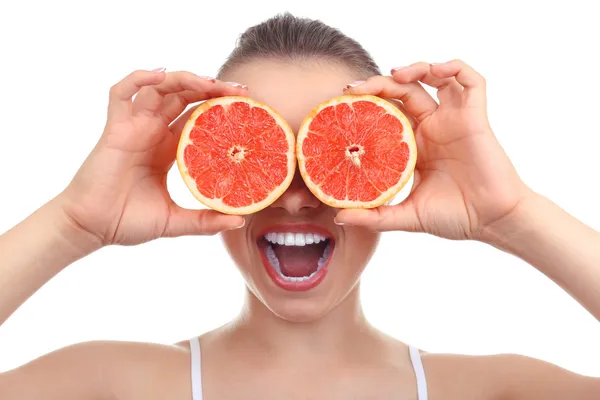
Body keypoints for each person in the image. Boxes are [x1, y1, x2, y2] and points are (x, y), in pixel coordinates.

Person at [0, 12, 598, 400]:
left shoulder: (491, 391)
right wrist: (73, 223)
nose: (291, 196)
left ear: (395, 171)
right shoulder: (114, 385)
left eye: (333, 156)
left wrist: (509, 213)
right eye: (261, 157)